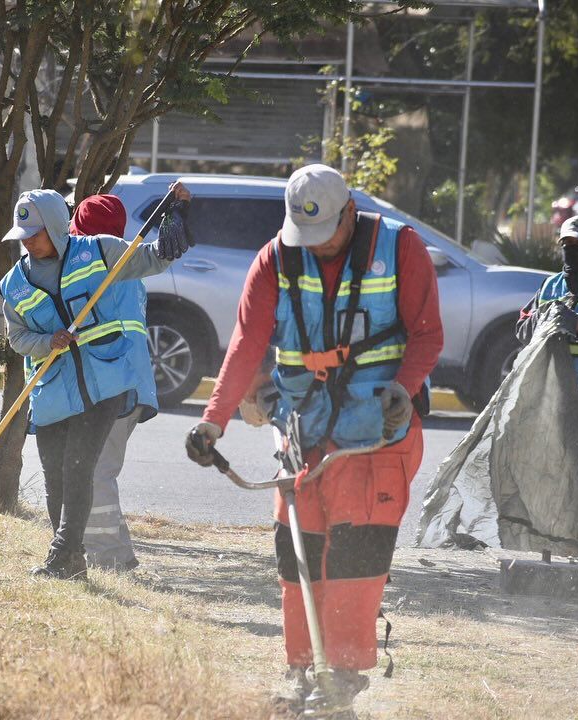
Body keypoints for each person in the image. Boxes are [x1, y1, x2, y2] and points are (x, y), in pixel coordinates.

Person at [186, 164, 442, 713]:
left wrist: (404, 386)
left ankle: (342, 680)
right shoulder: (276, 257)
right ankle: (302, 669)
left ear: (350, 213)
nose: (317, 247)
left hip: (375, 434)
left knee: (355, 558)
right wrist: (214, 420)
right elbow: (247, 343)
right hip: (302, 430)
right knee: (296, 554)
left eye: (326, 234)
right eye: (308, 237)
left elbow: (426, 332)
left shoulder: (400, 248)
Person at [0, 184, 191, 580]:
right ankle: (68, 558)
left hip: (104, 383)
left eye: (34, 234)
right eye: (23, 237)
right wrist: (44, 341)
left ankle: (65, 557)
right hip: (54, 389)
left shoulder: (98, 252)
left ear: (54, 228)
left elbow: (155, 259)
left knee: (81, 467)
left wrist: (176, 217)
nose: (28, 243)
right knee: (55, 476)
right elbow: (17, 336)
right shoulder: (14, 284)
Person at [67, 193, 174, 571]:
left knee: (96, 471)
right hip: (127, 384)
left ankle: (107, 559)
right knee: (95, 469)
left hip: (116, 388)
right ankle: (113, 553)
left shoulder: (96, 268)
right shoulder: (123, 265)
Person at [516, 214, 578, 413]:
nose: (573, 248)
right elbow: (522, 329)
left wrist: (577, 325)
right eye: (567, 242)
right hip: (551, 404)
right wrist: (542, 318)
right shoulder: (551, 285)